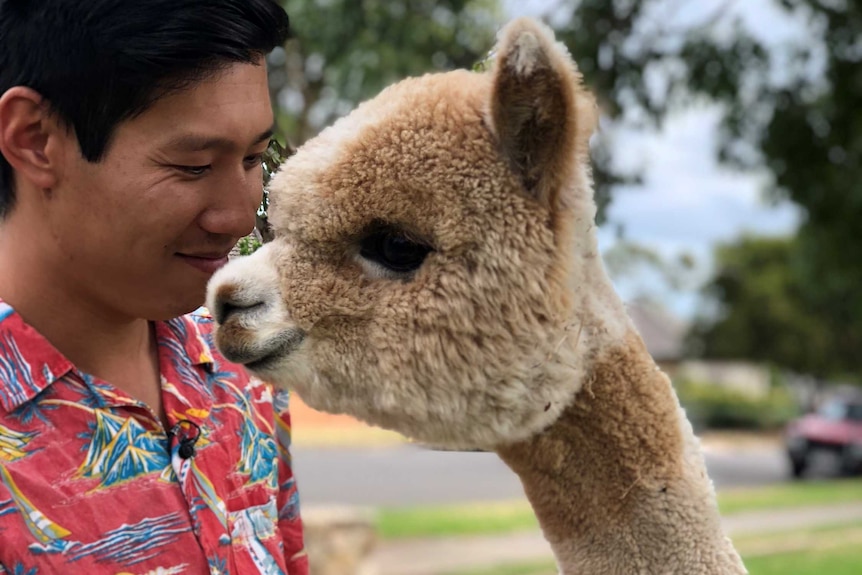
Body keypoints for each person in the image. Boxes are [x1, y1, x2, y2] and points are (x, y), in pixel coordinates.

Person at [0, 1, 308, 573]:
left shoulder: (240, 370)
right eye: (192, 167)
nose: (239, 216)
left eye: (253, 158)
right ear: (36, 139)